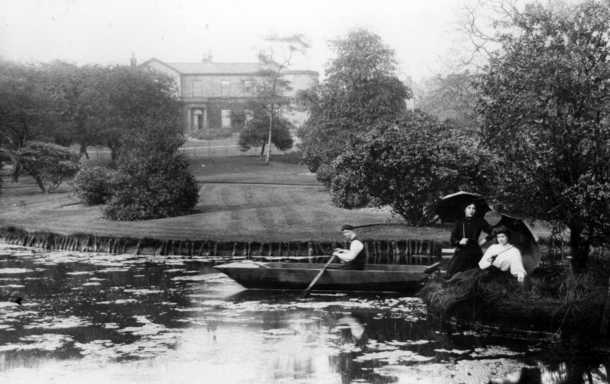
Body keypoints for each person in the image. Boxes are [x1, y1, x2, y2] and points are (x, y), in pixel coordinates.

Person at [446, 202, 492, 277]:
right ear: (464, 210)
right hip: (461, 252)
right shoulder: (459, 222)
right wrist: (459, 242)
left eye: (473, 208)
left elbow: (493, 232)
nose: (471, 210)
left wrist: (484, 240)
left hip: (475, 253)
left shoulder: (479, 221)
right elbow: (452, 239)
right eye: (469, 208)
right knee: (452, 276)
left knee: (475, 277)